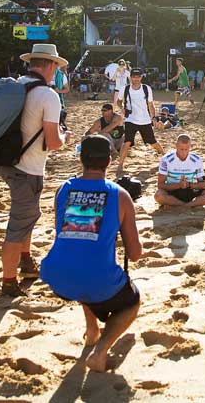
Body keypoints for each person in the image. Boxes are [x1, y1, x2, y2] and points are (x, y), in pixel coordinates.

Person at [39, 135, 142, 372]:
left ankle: (92, 330)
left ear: (81, 159)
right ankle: (101, 349)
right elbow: (135, 254)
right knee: (131, 302)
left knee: (84, 260)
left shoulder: (63, 189)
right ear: (108, 161)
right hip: (95, 278)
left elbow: (68, 236)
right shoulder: (120, 195)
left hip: (56, 275)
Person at [0, 44, 68, 297]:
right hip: (27, 167)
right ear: (49, 65)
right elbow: (53, 142)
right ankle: (8, 281)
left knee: (28, 215)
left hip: (7, 161)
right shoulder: (47, 95)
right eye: (56, 69)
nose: (55, 74)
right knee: (18, 223)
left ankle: (26, 261)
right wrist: (65, 137)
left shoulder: (14, 86)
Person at [117, 69, 165, 174]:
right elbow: (119, 101)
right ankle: (120, 165)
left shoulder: (146, 88)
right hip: (130, 119)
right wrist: (122, 108)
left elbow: (151, 105)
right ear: (131, 77)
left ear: (141, 77)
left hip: (145, 120)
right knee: (127, 142)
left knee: (153, 142)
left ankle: (165, 156)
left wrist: (154, 118)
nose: (136, 78)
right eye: (134, 76)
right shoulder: (124, 89)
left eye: (138, 76)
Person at [154, 134, 205, 208]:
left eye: (186, 149)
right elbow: (160, 185)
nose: (184, 152)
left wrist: (188, 185)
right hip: (172, 191)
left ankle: (185, 205)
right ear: (176, 146)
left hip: (189, 190)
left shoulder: (197, 160)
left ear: (190, 147)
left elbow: (202, 184)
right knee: (158, 195)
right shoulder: (166, 160)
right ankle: (186, 205)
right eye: (181, 149)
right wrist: (178, 185)